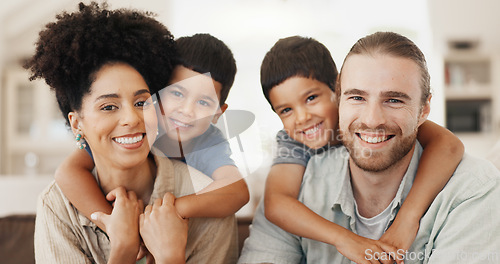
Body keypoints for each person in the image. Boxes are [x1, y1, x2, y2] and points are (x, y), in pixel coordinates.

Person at [26, 2, 238, 263]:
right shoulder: (57, 205)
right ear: (77, 123)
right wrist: (122, 247)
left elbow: (236, 190)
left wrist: (170, 252)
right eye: (108, 106)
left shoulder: (208, 199)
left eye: (141, 102)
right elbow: (67, 173)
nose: (131, 118)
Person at [240, 35, 464, 263]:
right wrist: (344, 239)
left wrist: (408, 217)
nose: (303, 117)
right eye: (286, 110)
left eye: (311, 98)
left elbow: (449, 145)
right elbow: (277, 204)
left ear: (337, 89)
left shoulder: (371, 120)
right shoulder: (293, 143)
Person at [53, 33, 249, 233]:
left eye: (203, 102)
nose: (187, 110)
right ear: (157, 93)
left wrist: (173, 209)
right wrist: (113, 225)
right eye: (177, 93)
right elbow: (68, 172)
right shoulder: (140, 124)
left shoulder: (208, 140)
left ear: (218, 113)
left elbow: (237, 191)